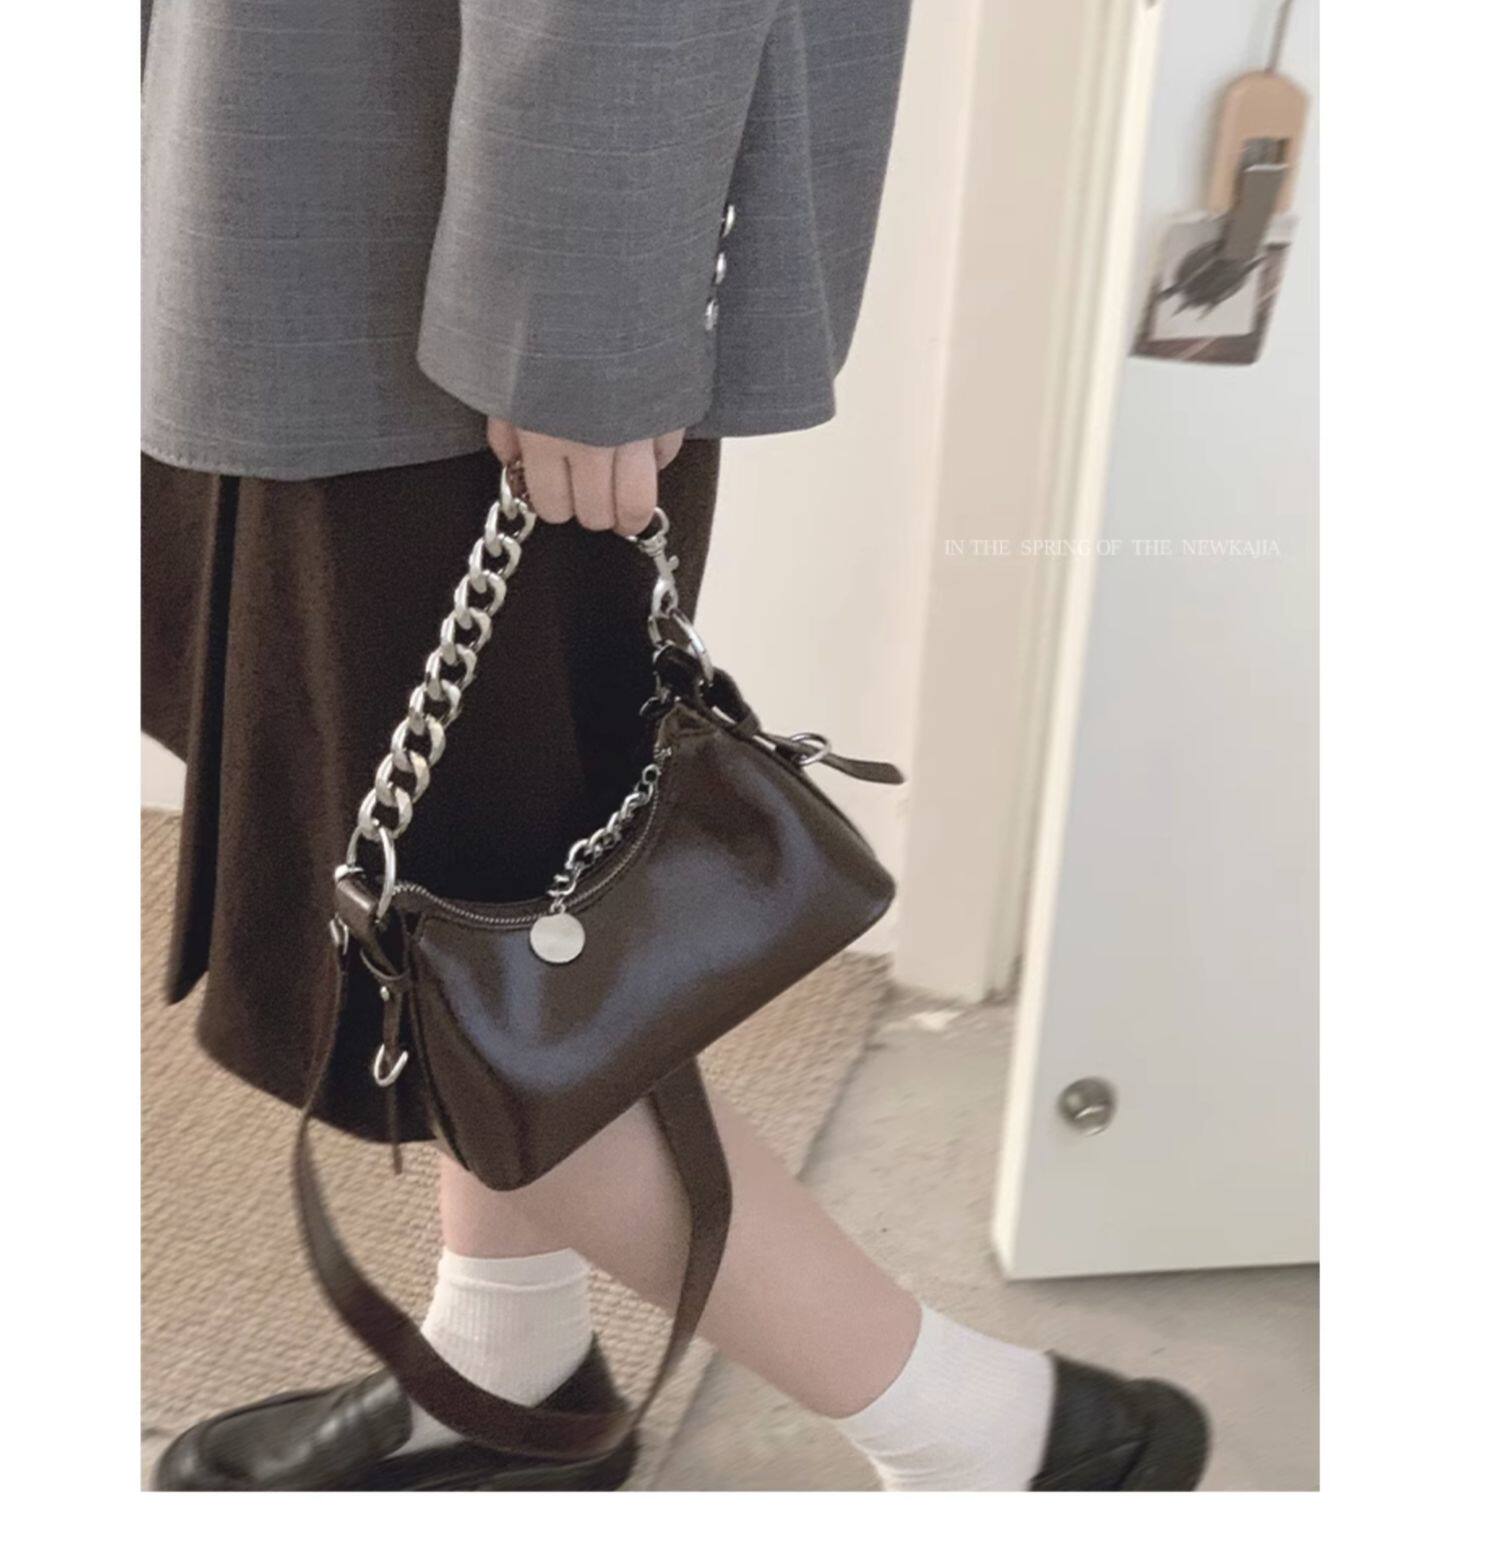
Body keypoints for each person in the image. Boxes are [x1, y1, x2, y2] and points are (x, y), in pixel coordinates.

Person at [142, 0, 1209, 1492]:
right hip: (326, 193)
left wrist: (583, 319)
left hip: (433, 251)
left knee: (432, 948)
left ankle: (1001, 1436)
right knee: (506, 914)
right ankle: (508, 1359)